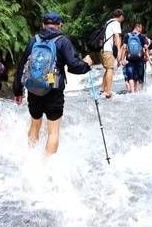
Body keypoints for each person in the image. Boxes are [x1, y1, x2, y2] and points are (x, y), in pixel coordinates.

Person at [12, 11, 93, 155]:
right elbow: (74, 66)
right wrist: (86, 64)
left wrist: (17, 90)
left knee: (35, 124)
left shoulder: (34, 40)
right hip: (53, 82)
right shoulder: (62, 40)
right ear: (59, 25)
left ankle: (30, 160)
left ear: (43, 24)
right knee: (53, 132)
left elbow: (22, 65)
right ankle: (46, 168)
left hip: (34, 86)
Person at [100, 9, 125, 98]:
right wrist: (118, 51)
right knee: (110, 68)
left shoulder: (108, 22)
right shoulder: (116, 23)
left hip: (103, 49)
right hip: (107, 49)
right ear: (120, 16)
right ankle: (108, 91)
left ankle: (102, 89)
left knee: (107, 69)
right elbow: (117, 37)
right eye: (123, 16)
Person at [119, 21, 148, 93]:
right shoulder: (142, 36)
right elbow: (145, 47)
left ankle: (132, 93)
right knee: (139, 78)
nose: (141, 29)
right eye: (141, 27)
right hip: (139, 59)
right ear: (137, 27)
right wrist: (147, 57)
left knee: (130, 77)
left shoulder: (127, 35)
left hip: (129, 59)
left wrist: (122, 59)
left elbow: (124, 47)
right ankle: (138, 92)